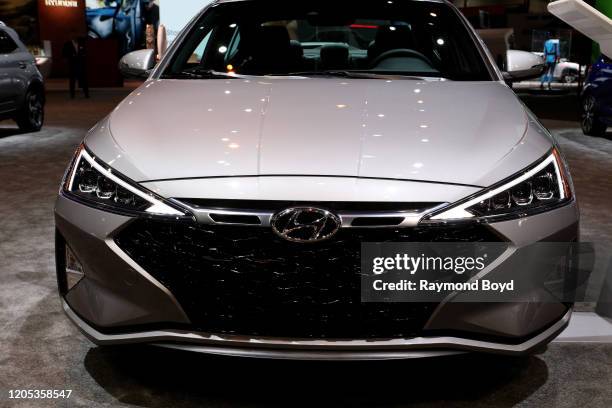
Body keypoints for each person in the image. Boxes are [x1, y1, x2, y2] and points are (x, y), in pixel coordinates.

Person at [62, 33, 89, 99]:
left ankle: (86, 94)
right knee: (72, 81)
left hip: (80, 64)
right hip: (72, 64)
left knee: (83, 80)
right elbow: (64, 54)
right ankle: (72, 95)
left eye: (76, 36)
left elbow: (85, 51)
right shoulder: (67, 44)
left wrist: (83, 56)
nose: (75, 37)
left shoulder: (81, 43)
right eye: (73, 36)